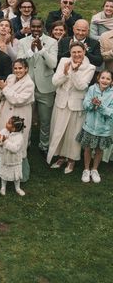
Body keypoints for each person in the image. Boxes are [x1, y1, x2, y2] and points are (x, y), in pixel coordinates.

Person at [48, 42, 96, 173]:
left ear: (84, 52)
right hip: (61, 102)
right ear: (70, 52)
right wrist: (64, 73)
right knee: (58, 131)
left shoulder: (90, 67)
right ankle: (60, 157)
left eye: (79, 52)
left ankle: (71, 160)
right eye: (74, 52)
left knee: (73, 133)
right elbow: (54, 82)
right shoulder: (64, 61)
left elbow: (82, 86)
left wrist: (74, 73)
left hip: (76, 104)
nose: (77, 54)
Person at [0, 59, 35, 182]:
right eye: (16, 68)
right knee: (2, 138)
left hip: (19, 114)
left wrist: (5, 88)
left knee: (15, 140)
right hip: (4, 113)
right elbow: (2, 91)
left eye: (20, 68)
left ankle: (16, 174)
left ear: (26, 69)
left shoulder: (29, 83)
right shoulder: (10, 77)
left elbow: (18, 100)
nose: (18, 71)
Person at [16, 17, 58, 154]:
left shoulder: (52, 42)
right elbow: (19, 63)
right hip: (26, 87)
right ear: (29, 26)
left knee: (45, 120)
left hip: (45, 87)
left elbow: (53, 65)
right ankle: (24, 144)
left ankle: (44, 146)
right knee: (25, 119)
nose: (35, 29)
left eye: (38, 27)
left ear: (43, 27)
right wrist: (30, 50)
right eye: (33, 26)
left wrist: (41, 50)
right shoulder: (22, 42)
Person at [77, 70, 113, 183]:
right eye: (103, 77)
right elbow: (85, 104)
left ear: (112, 81)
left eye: (108, 79)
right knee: (87, 148)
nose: (105, 80)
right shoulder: (92, 89)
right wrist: (92, 104)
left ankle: (95, 169)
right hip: (90, 126)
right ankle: (86, 169)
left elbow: (111, 112)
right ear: (98, 78)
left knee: (99, 150)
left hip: (104, 129)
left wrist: (101, 106)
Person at [0, 116, 27, 196]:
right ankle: (3, 187)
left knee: (16, 176)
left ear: (14, 128)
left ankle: (17, 188)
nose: (6, 123)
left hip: (14, 160)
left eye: (9, 123)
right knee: (4, 174)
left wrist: (5, 141)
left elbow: (15, 149)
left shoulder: (19, 137)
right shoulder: (4, 131)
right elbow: (0, 142)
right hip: (5, 158)